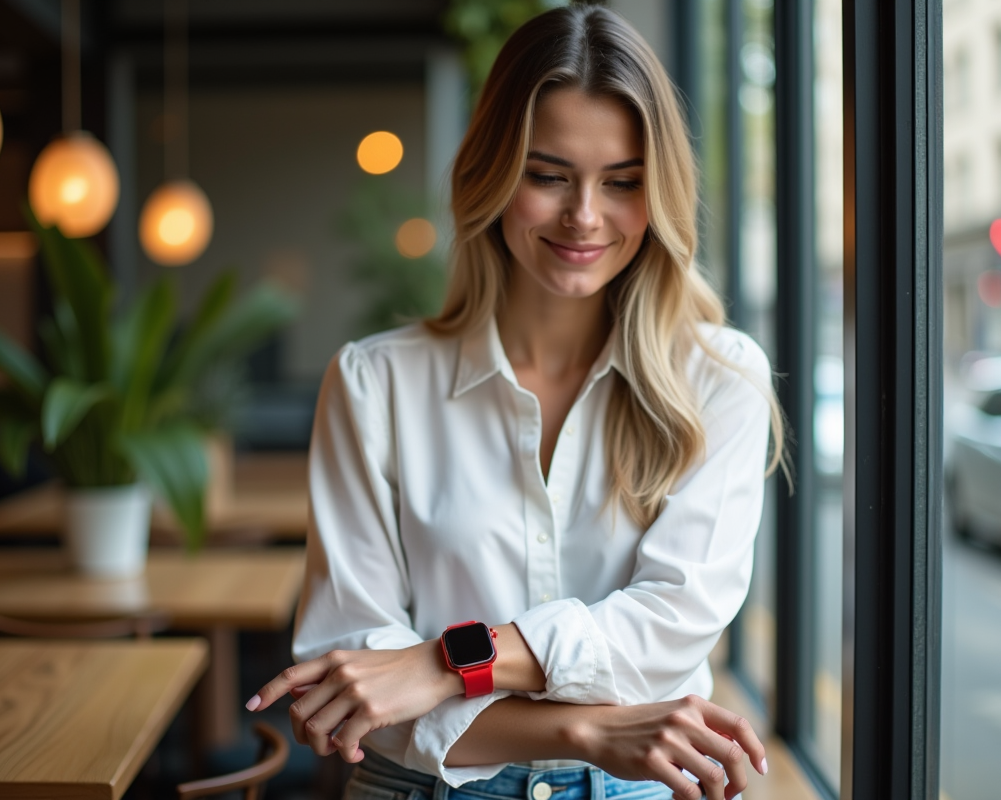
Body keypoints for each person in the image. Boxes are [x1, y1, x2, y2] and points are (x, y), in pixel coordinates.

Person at [249, 6, 785, 800]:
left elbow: (667, 633)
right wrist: (586, 729)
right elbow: (355, 686)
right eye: (548, 174)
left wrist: (441, 663)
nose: (585, 216)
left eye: (624, 182)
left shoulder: (719, 378)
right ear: (492, 176)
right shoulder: (373, 383)